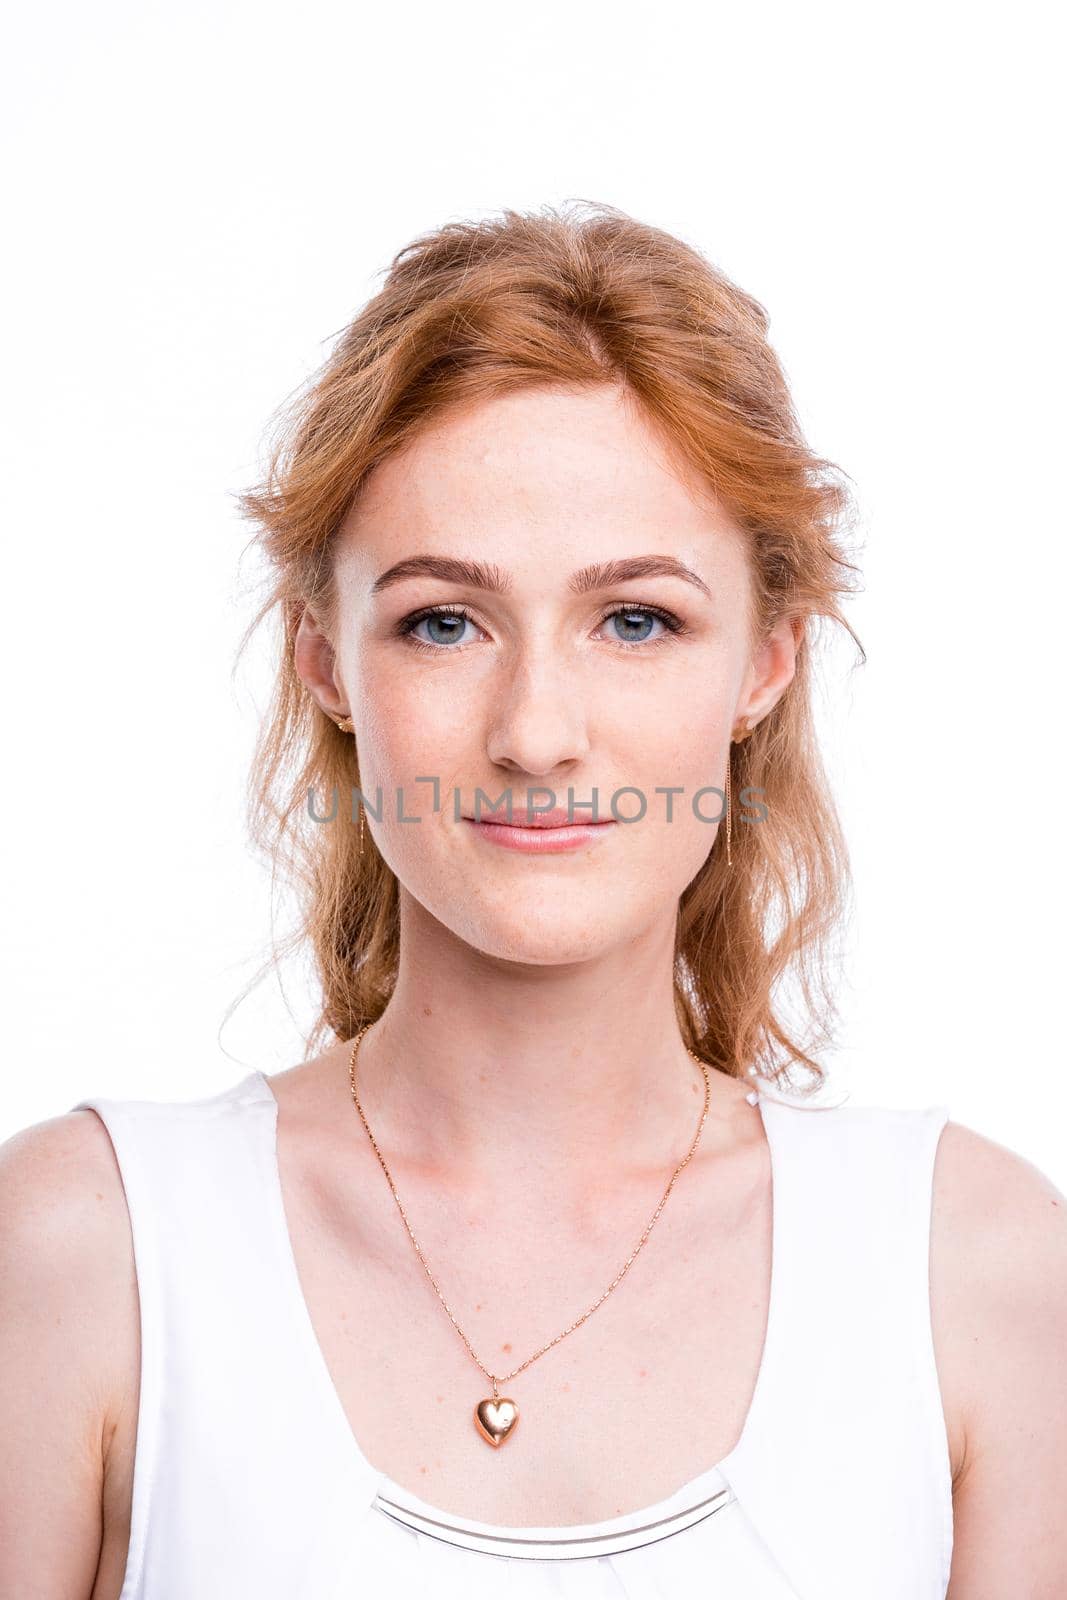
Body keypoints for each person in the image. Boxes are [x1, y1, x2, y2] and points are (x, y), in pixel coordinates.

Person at [2, 201, 1064, 1599]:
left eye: (637, 621)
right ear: (327, 661)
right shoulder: (82, 1253)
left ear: (766, 665)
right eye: (445, 621)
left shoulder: (975, 1272)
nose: (537, 732)